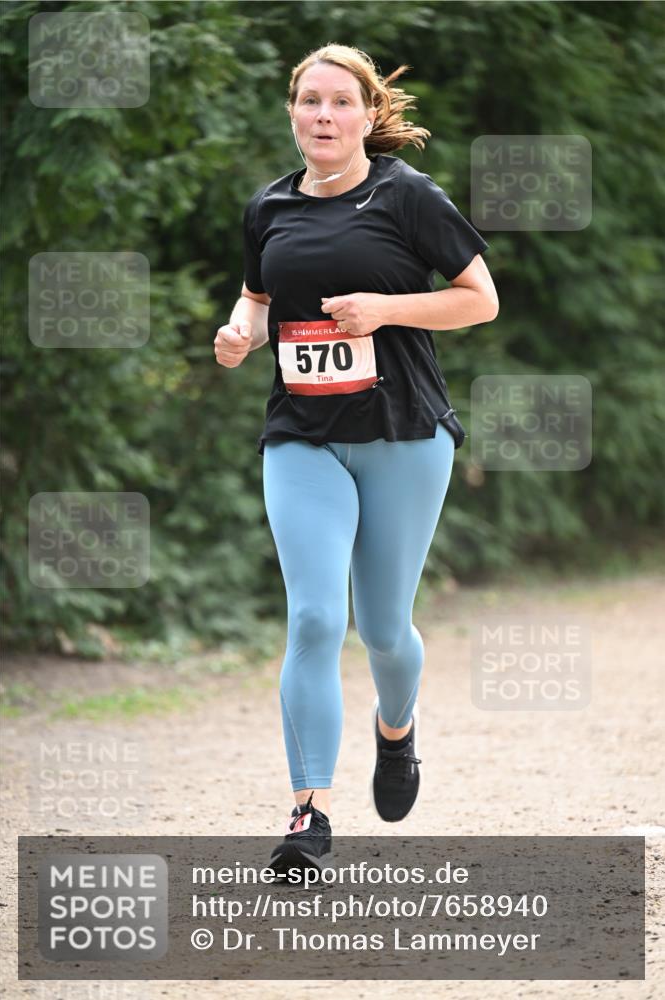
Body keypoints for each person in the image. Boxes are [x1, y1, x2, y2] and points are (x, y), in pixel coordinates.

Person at [214, 43, 498, 875]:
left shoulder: (407, 197)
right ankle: (309, 814)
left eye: (341, 102)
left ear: (368, 116)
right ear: (292, 112)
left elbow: (479, 299)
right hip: (301, 437)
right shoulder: (268, 207)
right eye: (310, 101)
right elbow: (259, 300)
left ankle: (397, 731)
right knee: (312, 618)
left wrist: (384, 309)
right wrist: (240, 334)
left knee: (381, 627)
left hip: (404, 436)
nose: (324, 116)